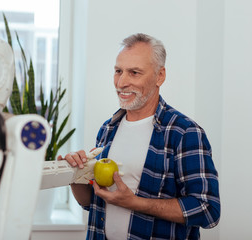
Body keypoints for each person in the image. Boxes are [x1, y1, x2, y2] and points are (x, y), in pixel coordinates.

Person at [59, 33, 220, 239]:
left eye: (134, 72)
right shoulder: (108, 129)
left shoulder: (184, 132)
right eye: (118, 71)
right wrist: (75, 176)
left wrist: (135, 203)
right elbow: (93, 203)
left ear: (160, 76)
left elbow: (208, 210)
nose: (122, 82)